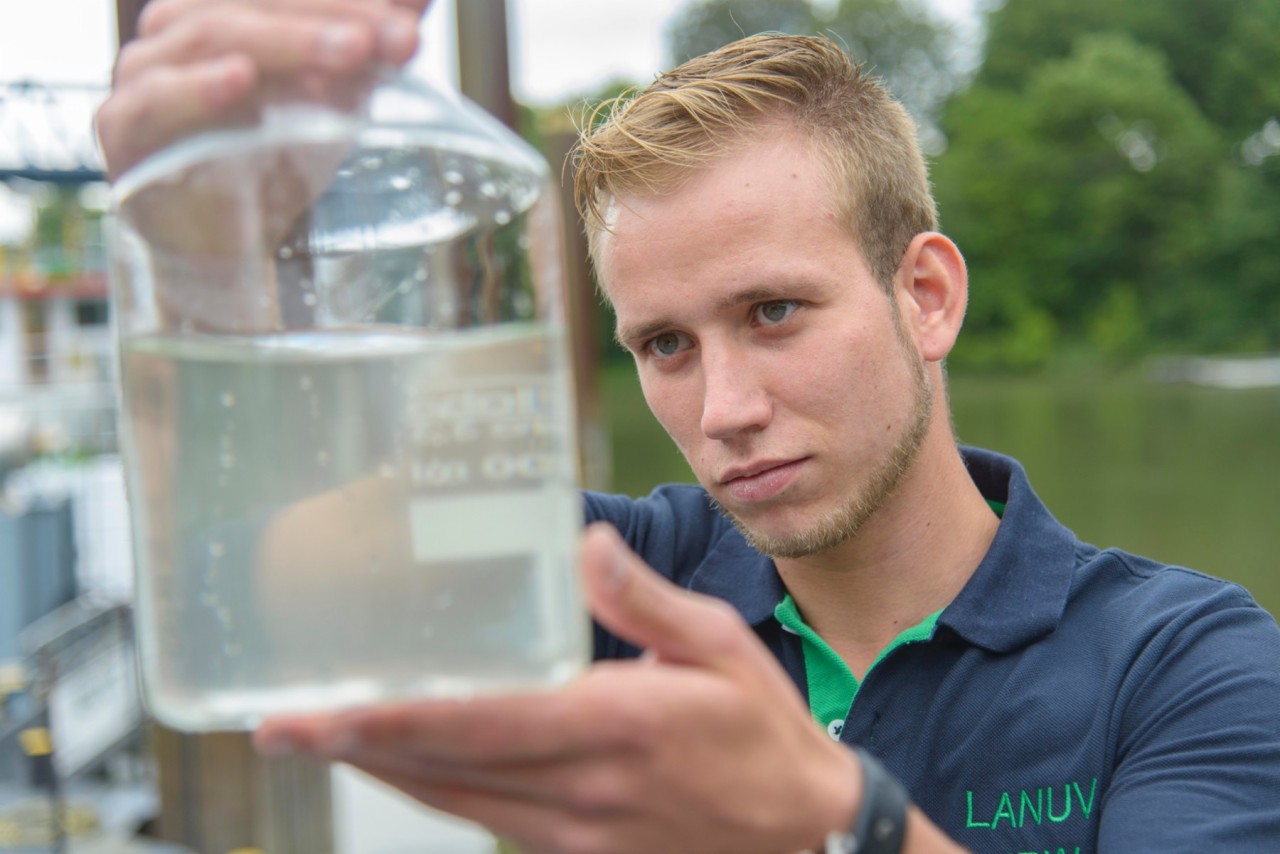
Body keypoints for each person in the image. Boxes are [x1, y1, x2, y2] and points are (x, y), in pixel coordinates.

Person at [97, 2, 1280, 852]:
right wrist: (205, 246)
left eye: (773, 311)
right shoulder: (611, 591)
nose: (723, 411)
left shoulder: (1182, 664)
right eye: (662, 344)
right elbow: (237, 581)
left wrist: (835, 823)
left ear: (924, 294)